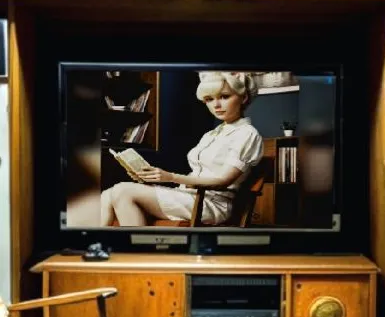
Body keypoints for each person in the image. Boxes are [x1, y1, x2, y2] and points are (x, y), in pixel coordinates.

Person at [100, 71, 263, 227]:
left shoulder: (247, 134)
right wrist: (150, 177)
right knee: (107, 194)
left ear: (244, 97)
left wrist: (170, 177)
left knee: (123, 191)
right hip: (189, 196)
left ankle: (139, 252)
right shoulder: (212, 134)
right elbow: (198, 174)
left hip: (211, 205)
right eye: (209, 99)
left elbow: (222, 182)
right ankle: (98, 245)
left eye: (224, 97)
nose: (216, 105)